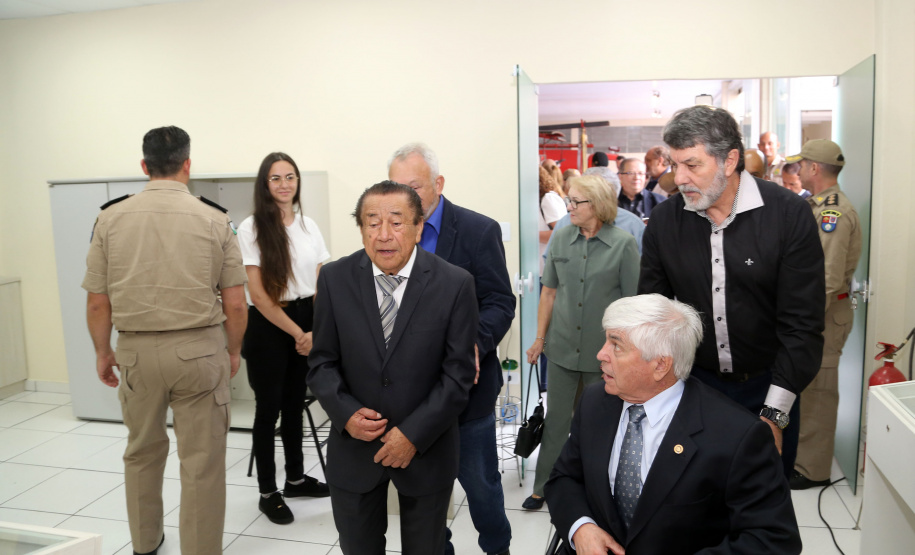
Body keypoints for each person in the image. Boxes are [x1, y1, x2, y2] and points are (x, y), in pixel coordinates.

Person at [83, 126, 248, 555]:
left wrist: (104, 353)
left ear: (144, 166)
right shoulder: (216, 219)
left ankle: (145, 544)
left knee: (141, 453)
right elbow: (237, 305)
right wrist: (233, 351)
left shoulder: (110, 218)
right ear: (188, 165)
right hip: (199, 351)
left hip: (136, 353)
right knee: (202, 464)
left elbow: (98, 304)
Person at [639, 106, 825, 478]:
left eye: (692, 165)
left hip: (772, 386)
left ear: (730, 160)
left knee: (762, 510)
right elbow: (653, 313)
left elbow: (802, 326)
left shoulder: (788, 216)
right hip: (696, 387)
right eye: (675, 165)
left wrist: (774, 415)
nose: (680, 178)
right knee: (695, 503)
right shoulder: (665, 221)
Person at [545, 294, 802, 555]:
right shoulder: (594, 402)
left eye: (616, 345)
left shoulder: (738, 436)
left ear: (660, 365)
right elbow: (564, 478)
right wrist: (581, 528)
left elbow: (773, 540)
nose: (601, 354)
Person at [307, 181, 479, 555]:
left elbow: (459, 375)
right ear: (362, 228)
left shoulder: (454, 284)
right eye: (372, 222)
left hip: (426, 448)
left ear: (419, 227)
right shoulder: (335, 279)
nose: (383, 235)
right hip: (354, 449)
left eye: (397, 222)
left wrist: (413, 435)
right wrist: (347, 414)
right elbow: (321, 363)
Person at [388, 143, 515, 555]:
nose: (404, 197)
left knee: (481, 489)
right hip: (411, 399)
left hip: (467, 396)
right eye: (394, 187)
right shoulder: (390, 237)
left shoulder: (478, 231)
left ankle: (498, 548)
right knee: (424, 498)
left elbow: (500, 301)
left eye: (414, 186)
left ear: (438, 185)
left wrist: (470, 347)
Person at [523, 174, 640, 511]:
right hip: (560, 348)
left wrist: (625, 352)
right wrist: (539, 339)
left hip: (603, 355)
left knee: (598, 425)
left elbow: (632, 304)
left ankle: (597, 489)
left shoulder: (623, 244)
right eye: (569, 200)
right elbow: (548, 292)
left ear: (598, 205)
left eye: (576, 202)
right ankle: (544, 485)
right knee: (557, 421)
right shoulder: (560, 238)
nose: (568, 207)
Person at [237, 152, 331, 524]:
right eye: (275, 178)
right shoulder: (251, 228)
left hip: (308, 318)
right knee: (268, 408)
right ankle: (268, 492)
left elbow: (322, 279)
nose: (284, 184)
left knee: (294, 404)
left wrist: (314, 330)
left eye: (290, 176)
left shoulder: (309, 225)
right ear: (265, 184)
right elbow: (258, 296)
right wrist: (299, 334)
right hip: (268, 324)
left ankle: (294, 479)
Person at [788, 140, 862, 490]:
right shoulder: (816, 206)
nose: (798, 170)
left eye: (802, 164)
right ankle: (802, 457)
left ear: (814, 168)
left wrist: (805, 323)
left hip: (823, 316)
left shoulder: (833, 212)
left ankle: (812, 469)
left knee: (819, 391)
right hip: (813, 314)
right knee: (808, 387)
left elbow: (828, 279)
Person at [539, 166, 568, 274]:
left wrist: (529, 236)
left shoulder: (548, 199)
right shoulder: (541, 199)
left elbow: (561, 234)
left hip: (547, 269)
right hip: (541, 268)